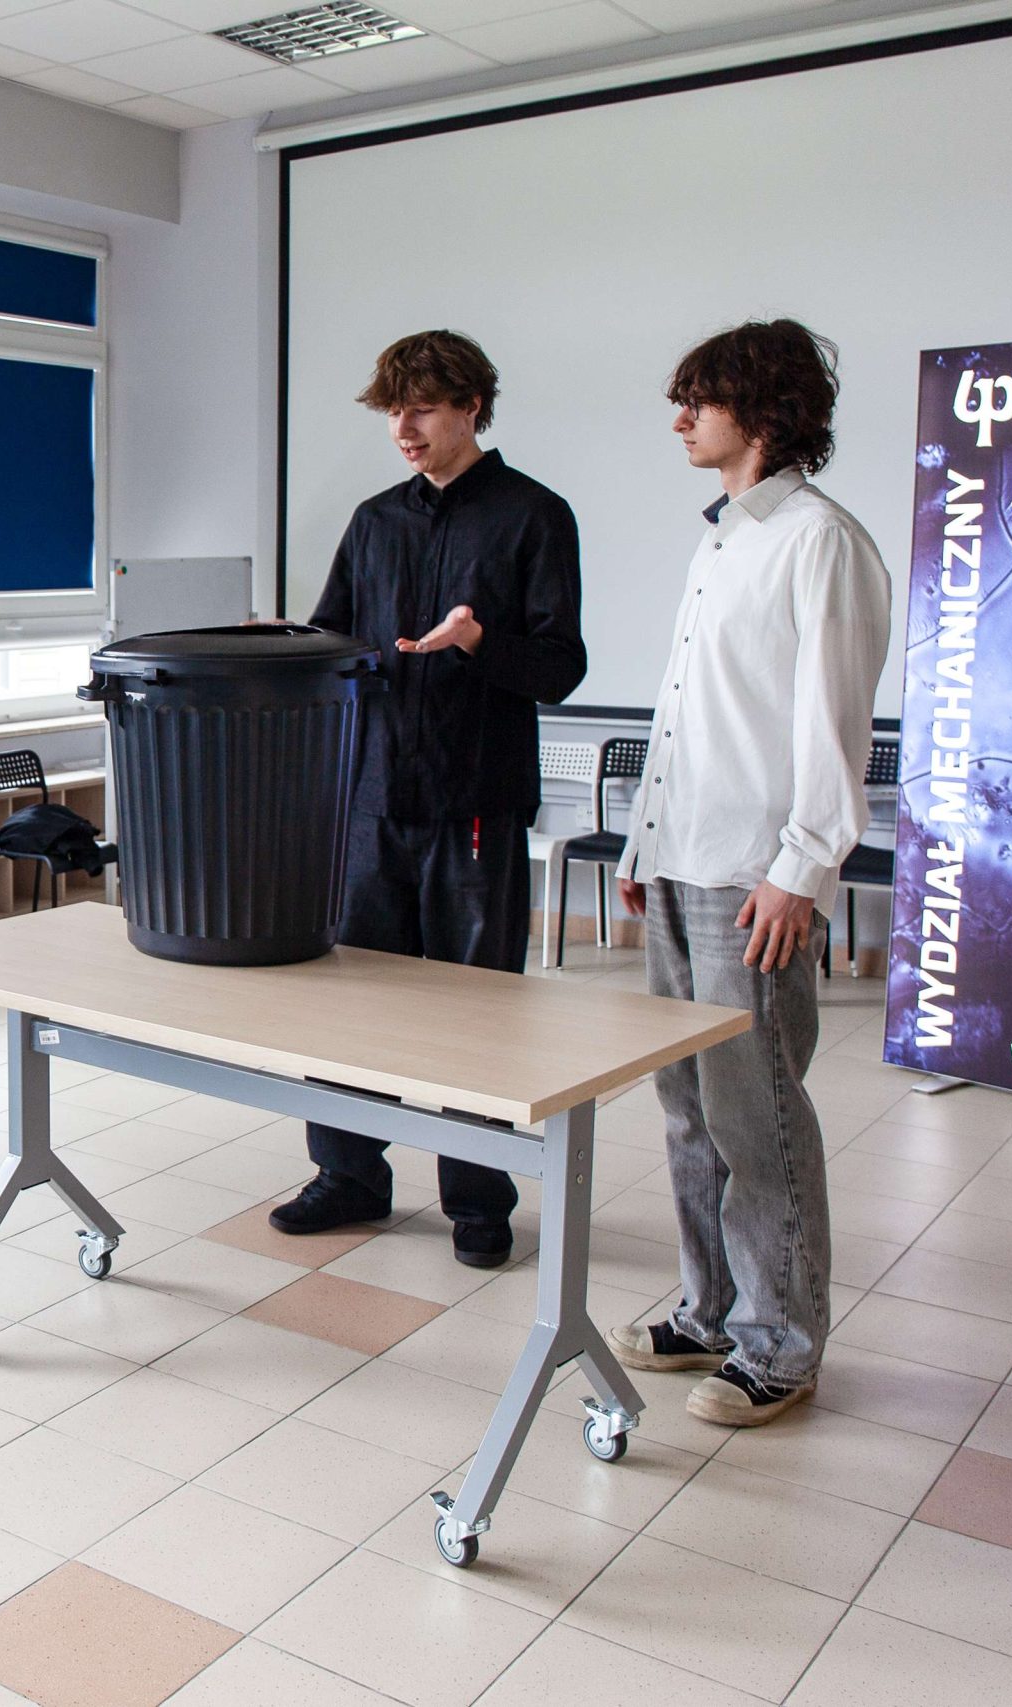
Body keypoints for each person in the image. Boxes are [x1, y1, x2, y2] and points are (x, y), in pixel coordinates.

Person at [609, 320, 889, 1425]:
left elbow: (832, 723)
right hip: (682, 860)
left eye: (700, 400)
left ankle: (780, 1345)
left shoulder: (819, 541)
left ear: (763, 410)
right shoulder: (721, 539)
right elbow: (690, 708)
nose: (680, 420)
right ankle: (709, 1309)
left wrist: (801, 869)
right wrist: (643, 839)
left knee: (756, 1111)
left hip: (751, 877)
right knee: (686, 1107)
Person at [269, 331, 586, 1265]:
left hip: (476, 804)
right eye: (393, 412)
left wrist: (478, 640)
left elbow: (560, 667)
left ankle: (477, 1199)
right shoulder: (374, 522)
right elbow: (335, 639)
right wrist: (286, 642)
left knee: (473, 1015)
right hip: (371, 802)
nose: (404, 428)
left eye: (423, 409)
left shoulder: (535, 516)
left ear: (472, 407)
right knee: (353, 1002)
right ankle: (349, 1176)